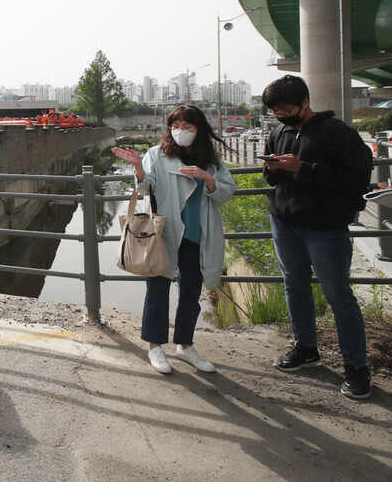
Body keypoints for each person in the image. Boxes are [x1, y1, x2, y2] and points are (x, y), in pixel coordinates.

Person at [260, 75, 373, 399]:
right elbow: (270, 178)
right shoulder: (278, 132)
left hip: (325, 229)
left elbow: (356, 179)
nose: (281, 114)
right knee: (294, 285)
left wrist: (302, 168)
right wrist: (273, 169)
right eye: (275, 110)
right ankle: (305, 348)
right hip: (284, 222)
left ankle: (356, 368)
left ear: (305, 102)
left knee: (338, 296)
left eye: (286, 108)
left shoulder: (338, 134)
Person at [112, 104, 236, 375]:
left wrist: (207, 178)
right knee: (158, 289)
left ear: (198, 129)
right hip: (165, 234)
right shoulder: (157, 154)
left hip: (197, 233)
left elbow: (227, 192)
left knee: (191, 293)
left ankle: (185, 345)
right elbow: (146, 187)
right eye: (176, 126)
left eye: (188, 127)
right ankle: (155, 346)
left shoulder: (211, 161)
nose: (181, 132)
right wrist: (138, 167)